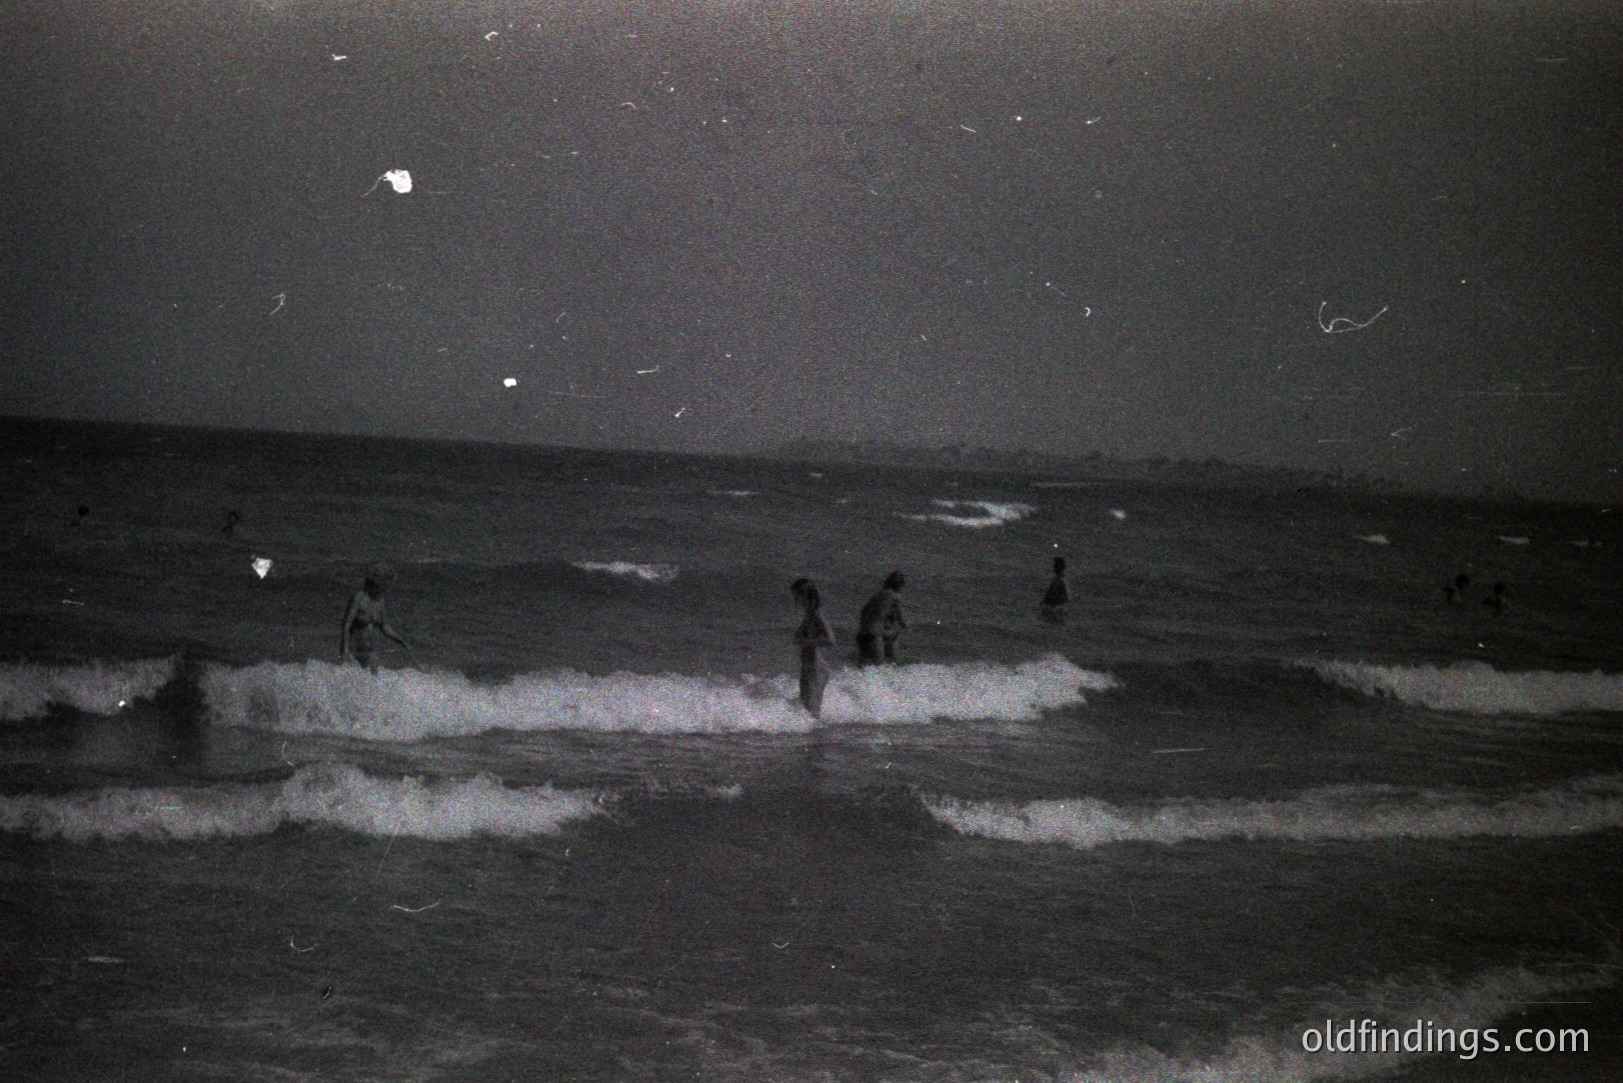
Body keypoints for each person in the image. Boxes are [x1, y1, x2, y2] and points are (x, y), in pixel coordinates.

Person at [340, 564, 410, 672]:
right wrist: (345, 650)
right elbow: (346, 625)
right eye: (385, 585)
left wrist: (400, 640)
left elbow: (383, 625)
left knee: (372, 681)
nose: (387, 589)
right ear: (377, 582)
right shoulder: (359, 598)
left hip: (371, 651)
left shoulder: (380, 601)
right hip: (355, 650)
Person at [791, 578, 835, 718]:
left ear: (805, 595)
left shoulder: (816, 614)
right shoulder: (809, 614)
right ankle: (814, 738)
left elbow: (831, 640)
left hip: (816, 665)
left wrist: (806, 642)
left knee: (811, 709)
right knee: (808, 708)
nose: (795, 600)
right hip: (809, 664)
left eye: (797, 595)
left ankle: (817, 739)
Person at [857, 571, 907, 665]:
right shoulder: (895, 597)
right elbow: (901, 619)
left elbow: (863, 611)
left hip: (864, 631)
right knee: (883, 663)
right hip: (876, 632)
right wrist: (908, 628)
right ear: (900, 585)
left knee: (865, 664)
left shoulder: (878, 595)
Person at [1041, 556, 1070, 624]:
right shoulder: (1061, 580)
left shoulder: (1059, 581)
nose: (1053, 567)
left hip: (1056, 608)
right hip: (1056, 607)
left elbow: (1062, 596)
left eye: (1055, 565)